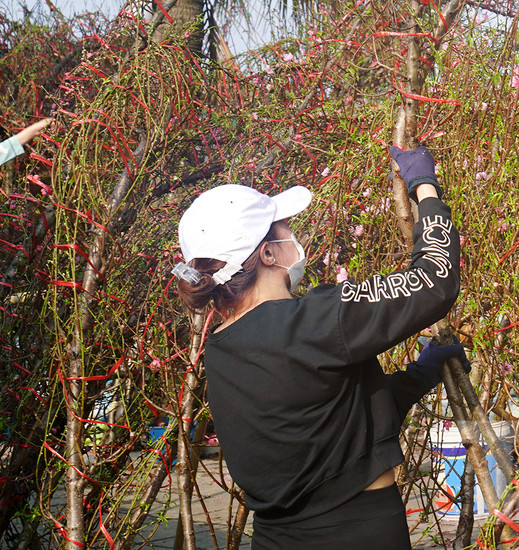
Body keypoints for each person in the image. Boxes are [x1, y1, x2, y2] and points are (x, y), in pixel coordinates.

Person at [172, 144, 463, 549]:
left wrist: (419, 375)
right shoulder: (314, 320)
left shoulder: (221, 350)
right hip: (361, 534)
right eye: (286, 228)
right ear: (269, 253)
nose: (296, 235)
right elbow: (435, 279)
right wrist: (424, 188)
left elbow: (331, 430)